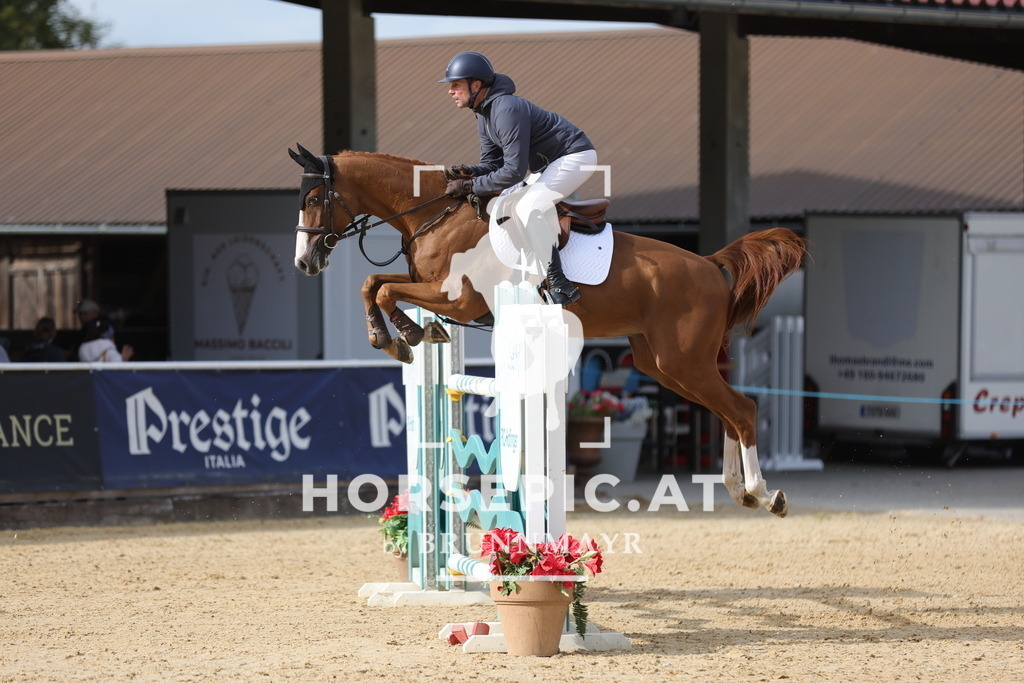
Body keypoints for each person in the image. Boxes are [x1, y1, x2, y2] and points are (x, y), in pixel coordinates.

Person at [439, 51, 597, 305]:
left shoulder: (506, 108)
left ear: (476, 85)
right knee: (505, 204)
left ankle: (559, 282)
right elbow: (494, 164)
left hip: (574, 156)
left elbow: (513, 172)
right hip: (547, 164)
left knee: (527, 206)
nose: (451, 91)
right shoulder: (483, 113)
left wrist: (470, 186)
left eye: (456, 85)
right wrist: (469, 171)